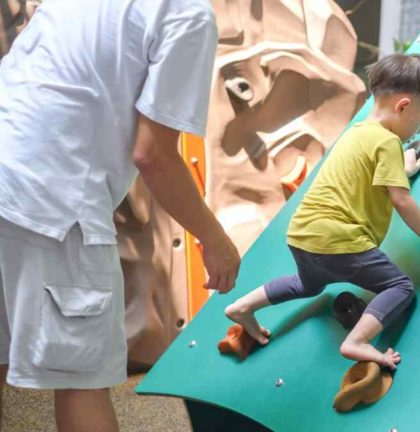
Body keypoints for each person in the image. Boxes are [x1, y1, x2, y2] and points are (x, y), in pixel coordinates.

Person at [0, 1, 241, 430]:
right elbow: (153, 156)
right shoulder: (187, 14)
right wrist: (215, 239)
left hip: (11, 168)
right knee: (83, 379)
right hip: (54, 198)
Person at [224, 53, 420, 369]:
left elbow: (367, 174)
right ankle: (357, 341)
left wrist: (403, 168)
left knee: (307, 284)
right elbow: (401, 199)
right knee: (399, 287)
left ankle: (242, 306)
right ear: (403, 107)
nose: (419, 130)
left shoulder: (357, 133)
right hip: (340, 241)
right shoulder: (388, 143)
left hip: (303, 235)